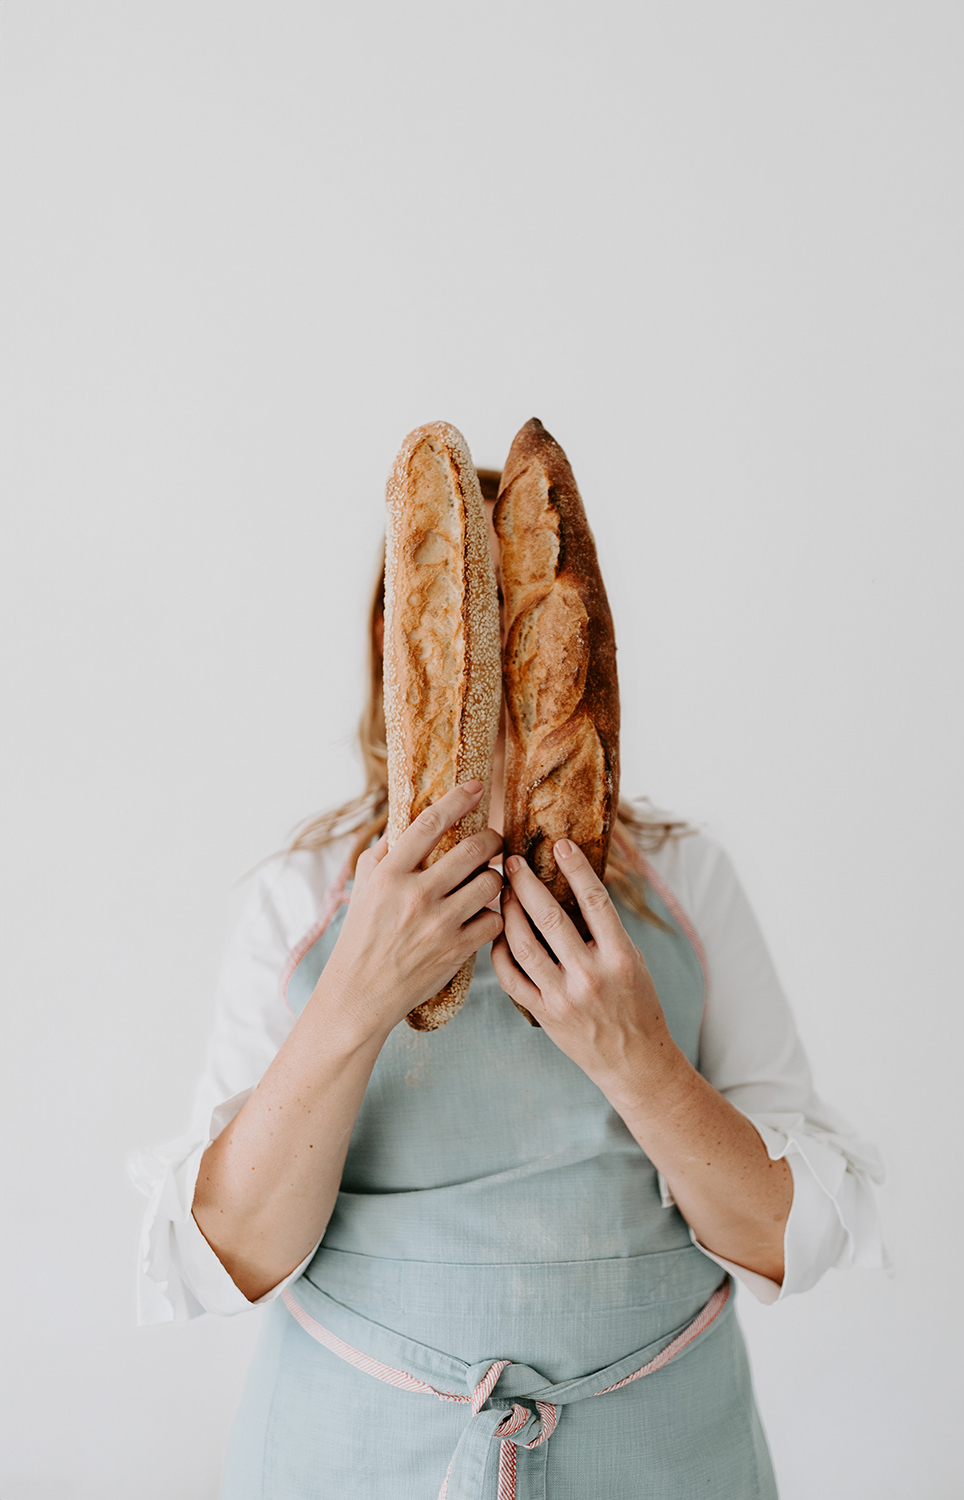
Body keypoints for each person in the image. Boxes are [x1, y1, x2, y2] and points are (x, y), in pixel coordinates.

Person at [129, 469, 887, 1499]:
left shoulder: (686, 884)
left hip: (662, 1466)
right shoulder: (300, 896)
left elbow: (788, 1240)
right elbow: (229, 1260)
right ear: (399, 662)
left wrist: (636, 1057)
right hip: (350, 1463)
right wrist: (356, 995)